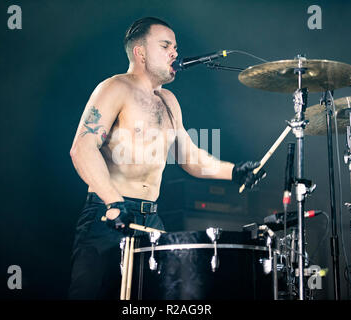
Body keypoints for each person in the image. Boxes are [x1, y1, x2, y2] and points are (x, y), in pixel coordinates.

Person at [68, 17, 266, 299]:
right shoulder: (115, 88)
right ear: (141, 52)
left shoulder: (169, 101)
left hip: (151, 222)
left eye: (175, 46)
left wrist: (236, 172)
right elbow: (82, 148)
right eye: (165, 45)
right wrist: (113, 201)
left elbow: (191, 159)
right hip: (107, 216)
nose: (174, 52)